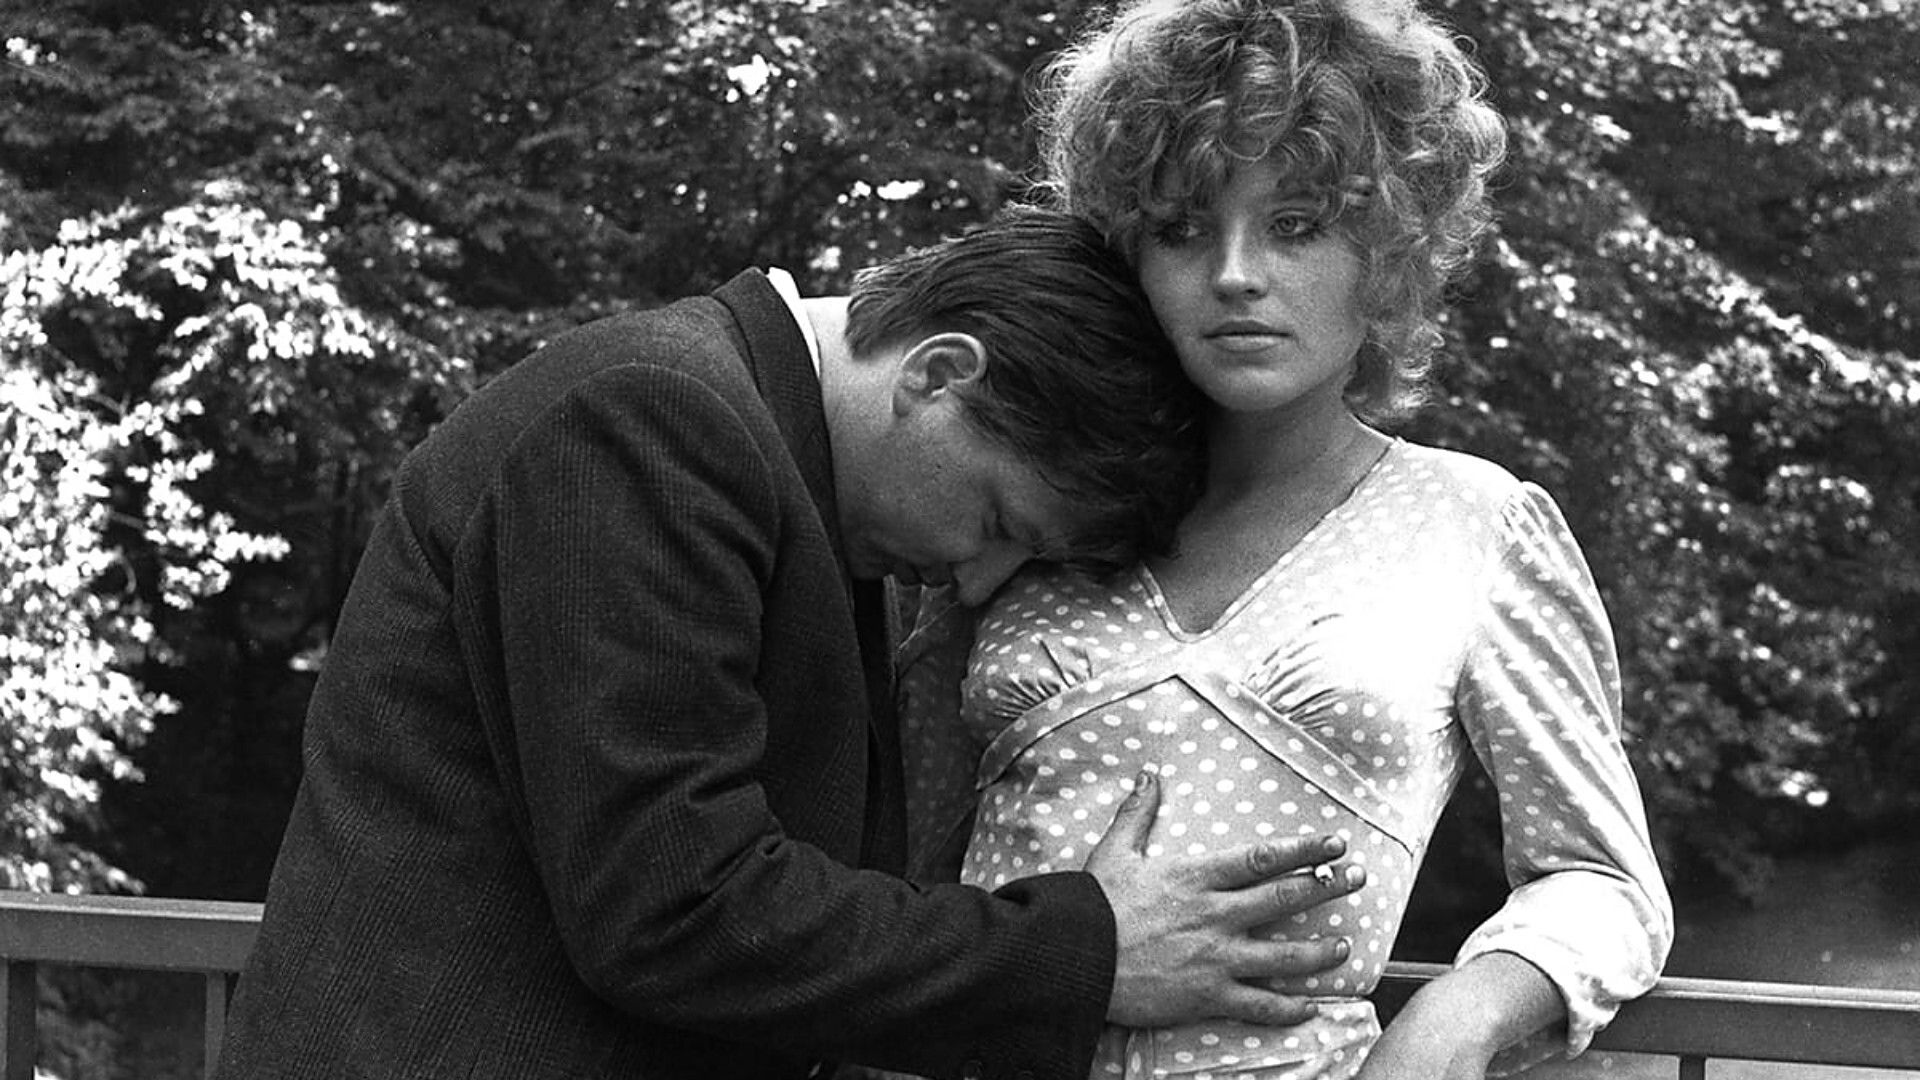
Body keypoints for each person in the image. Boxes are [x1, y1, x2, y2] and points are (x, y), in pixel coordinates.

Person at [213, 205, 1373, 1080]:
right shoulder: (655, 418)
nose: (976, 577)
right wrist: (1086, 950)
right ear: (940, 374)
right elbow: (675, 910)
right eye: (998, 521)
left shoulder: (785, 479)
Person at [895, 2, 1674, 1078]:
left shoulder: (1476, 524)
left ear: (1390, 247)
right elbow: (899, 857)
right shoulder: (1032, 505)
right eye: (1180, 230)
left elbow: (1605, 882)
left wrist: (1453, 1022)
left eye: (1297, 223)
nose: (1234, 273)